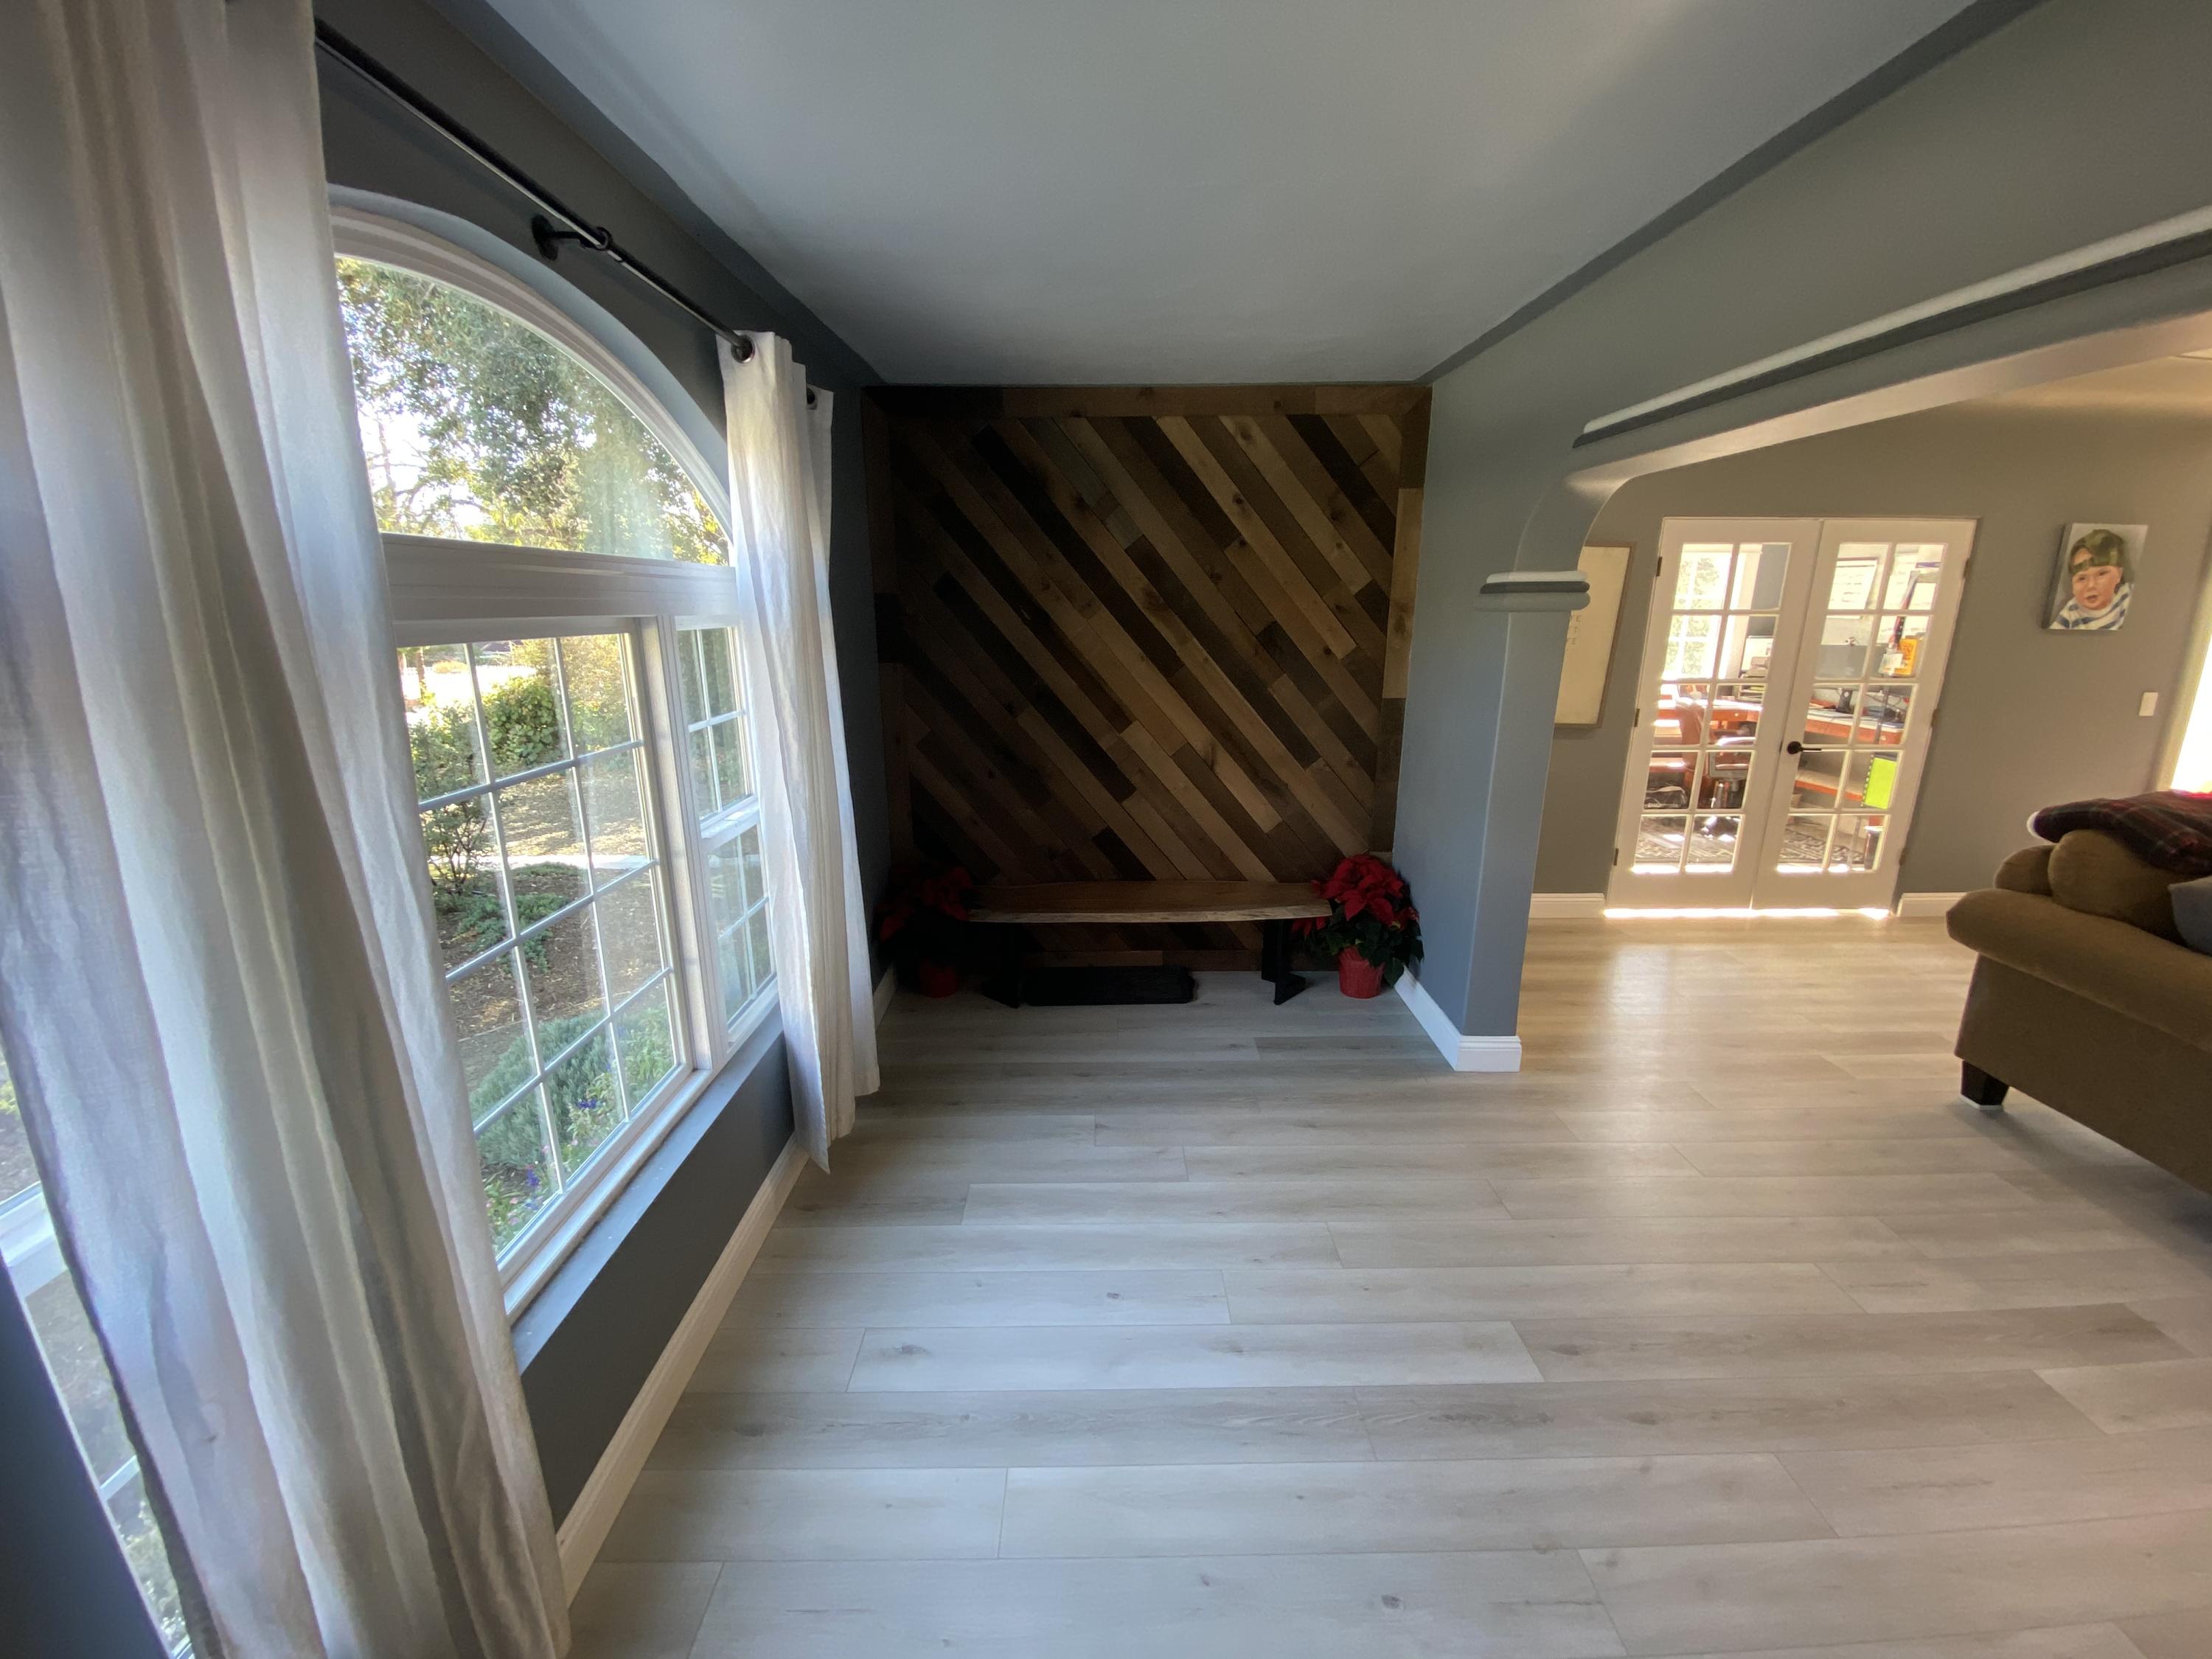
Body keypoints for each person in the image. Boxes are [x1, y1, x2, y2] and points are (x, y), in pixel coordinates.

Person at [2051, 529, 2132, 630]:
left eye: (2101, 574)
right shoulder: (2070, 613)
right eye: (2081, 578)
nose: (2091, 585)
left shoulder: (2128, 595)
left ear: (2119, 575)